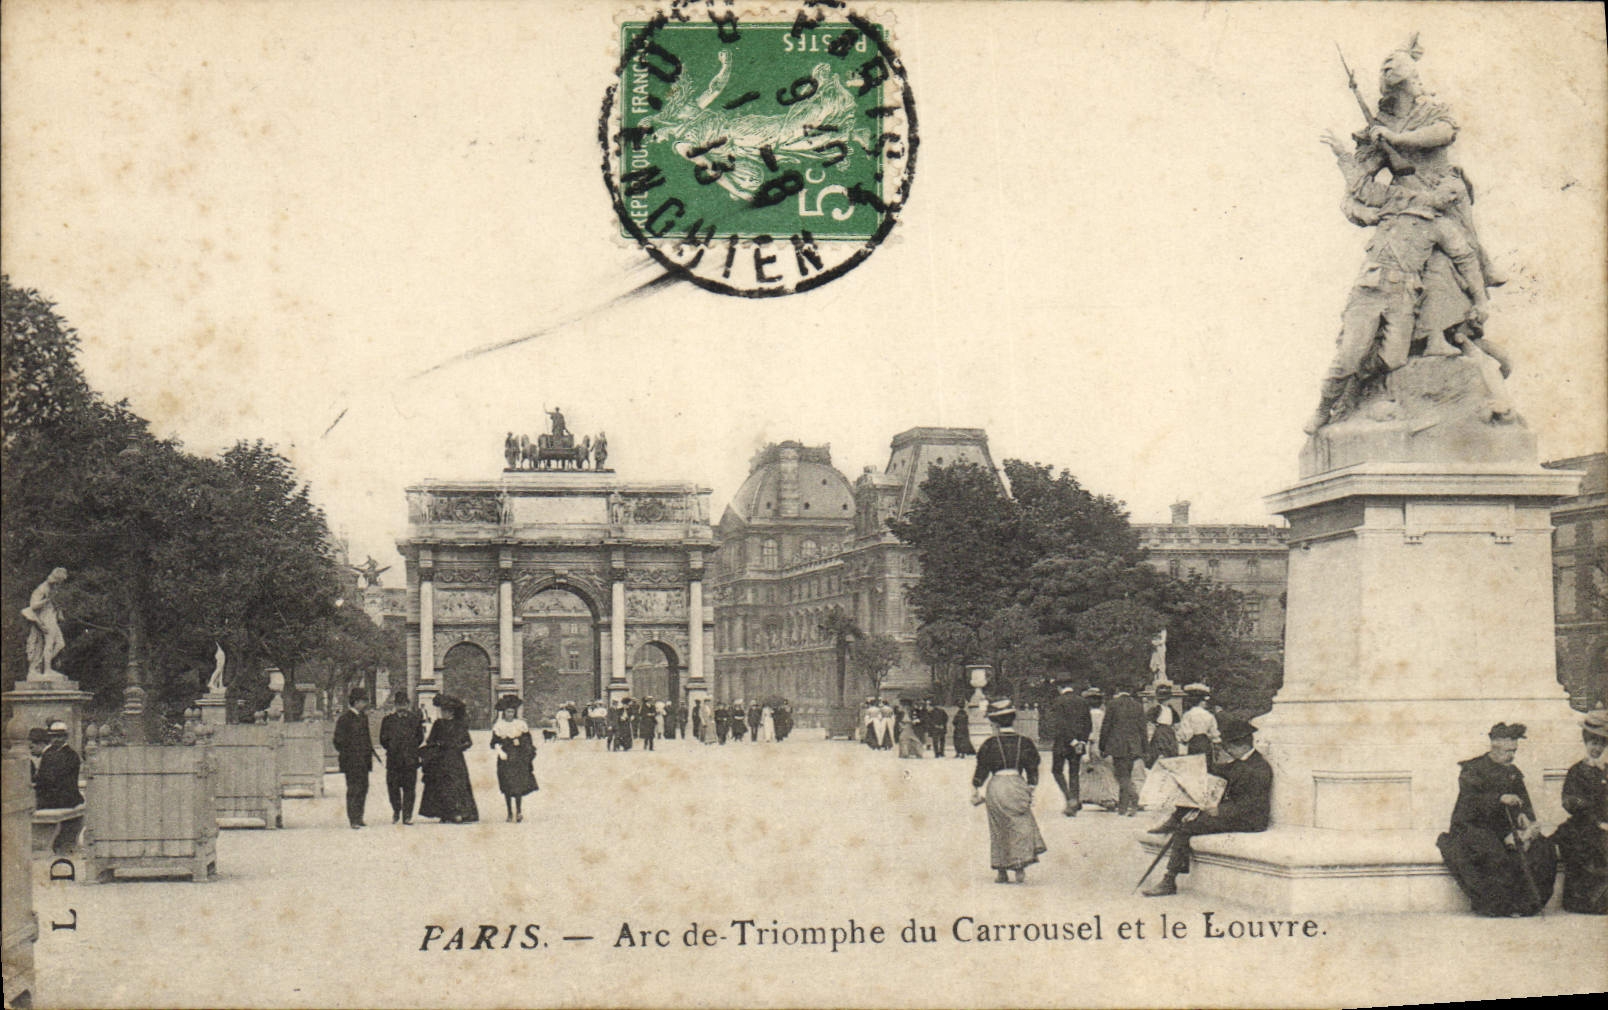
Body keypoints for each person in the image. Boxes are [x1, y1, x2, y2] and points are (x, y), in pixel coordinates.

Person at [1144, 715, 1273, 897]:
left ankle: (1169, 880)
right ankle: (1174, 819)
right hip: (1235, 813)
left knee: (1187, 828)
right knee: (1192, 798)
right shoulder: (1244, 761)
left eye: (1229, 747)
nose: (1226, 751)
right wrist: (1186, 769)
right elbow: (1219, 770)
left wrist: (1219, 810)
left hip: (1249, 820)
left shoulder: (1259, 768)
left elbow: (1251, 805)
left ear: (1242, 746)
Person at [1436, 722, 1557, 917]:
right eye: (1507, 750)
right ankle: (1499, 907)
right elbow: (1470, 802)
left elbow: (1524, 804)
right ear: (1494, 745)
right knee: (1494, 853)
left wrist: (1525, 820)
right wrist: (1498, 799)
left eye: (1514, 751)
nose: (1511, 756)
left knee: (1544, 848)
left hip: (1506, 830)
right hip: (1472, 828)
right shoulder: (1473, 770)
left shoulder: (1513, 772)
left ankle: (1527, 905)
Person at [970, 699, 1046, 884]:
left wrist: (976, 788)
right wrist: (1031, 786)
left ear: (995, 723)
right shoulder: (1025, 742)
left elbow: (982, 770)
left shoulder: (989, 744)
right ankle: (1019, 866)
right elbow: (1033, 768)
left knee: (999, 828)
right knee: (1019, 825)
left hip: (996, 786)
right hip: (1017, 784)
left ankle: (1001, 870)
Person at [1555, 712, 1608, 914]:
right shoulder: (1576, 771)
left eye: (1601, 744)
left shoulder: (1606, 770)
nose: (1596, 748)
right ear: (1585, 743)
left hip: (1604, 824)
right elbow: (1569, 800)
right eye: (1592, 743)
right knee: (1588, 846)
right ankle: (1587, 902)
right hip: (1582, 825)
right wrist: (1596, 821)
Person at [419, 695, 479, 823]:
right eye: (442, 711)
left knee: (457, 785)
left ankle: (459, 812)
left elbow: (468, 742)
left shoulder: (460, 724)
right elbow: (430, 740)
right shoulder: (438, 724)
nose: (443, 713)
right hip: (440, 759)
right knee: (441, 785)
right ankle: (444, 813)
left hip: (455, 759)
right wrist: (437, 744)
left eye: (445, 711)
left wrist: (458, 747)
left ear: (451, 712)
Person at [1045, 676, 1092, 817]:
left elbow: (1059, 725)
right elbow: (1088, 724)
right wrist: (1081, 741)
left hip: (1062, 743)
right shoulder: (1082, 701)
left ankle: (1069, 799)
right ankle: (1075, 799)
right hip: (1078, 743)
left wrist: (1071, 740)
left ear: (1060, 688)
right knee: (1074, 772)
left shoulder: (1058, 702)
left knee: (1057, 771)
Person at [35, 721, 83, 853]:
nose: (56, 739)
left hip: (65, 796)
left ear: (65, 737)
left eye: (59, 736)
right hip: (51, 795)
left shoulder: (71, 755)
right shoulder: (48, 753)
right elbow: (42, 777)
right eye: (53, 736)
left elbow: (60, 779)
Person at [333, 687, 378, 829]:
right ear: (356, 702)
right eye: (363, 701)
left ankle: (359, 817)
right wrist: (349, 752)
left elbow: (367, 739)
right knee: (353, 789)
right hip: (351, 761)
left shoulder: (363, 717)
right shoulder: (344, 719)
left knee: (364, 788)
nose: (364, 704)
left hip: (363, 760)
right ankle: (353, 818)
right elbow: (338, 741)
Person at [379, 689, 424, 825]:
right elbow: (383, 739)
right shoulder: (388, 720)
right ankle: (396, 810)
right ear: (395, 705)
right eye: (399, 704)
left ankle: (407, 815)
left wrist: (410, 748)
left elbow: (419, 738)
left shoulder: (414, 719)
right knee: (393, 788)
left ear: (408, 704)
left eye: (404, 704)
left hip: (410, 760)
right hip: (393, 759)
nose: (402, 707)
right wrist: (392, 747)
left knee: (409, 788)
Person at [490, 695, 538, 823]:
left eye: (512, 711)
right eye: (507, 711)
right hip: (505, 757)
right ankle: (509, 812)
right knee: (507, 785)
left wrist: (521, 743)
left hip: (518, 757)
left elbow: (528, 740)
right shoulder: (499, 725)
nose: (510, 714)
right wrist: (499, 751)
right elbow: (494, 742)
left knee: (518, 785)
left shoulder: (521, 724)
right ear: (503, 712)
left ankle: (519, 811)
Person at [1102, 688, 1148, 817]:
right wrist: (1145, 748)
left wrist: (1103, 746)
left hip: (1118, 745)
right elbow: (1142, 729)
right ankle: (1122, 807)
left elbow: (1106, 726)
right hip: (1133, 746)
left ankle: (1134, 797)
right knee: (1126, 773)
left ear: (1118, 691)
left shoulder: (1112, 704)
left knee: (1121, 775)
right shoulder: (1138, 706)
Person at [22, 567, 69, 678]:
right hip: (45, 618)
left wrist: (59, 612)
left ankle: (39, 665)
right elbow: (33, 605)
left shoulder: (54, 588)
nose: (60, 584)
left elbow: (56, 604)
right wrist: (47, 600)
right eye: (60, 581)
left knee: (60, 644)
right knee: (50, 643)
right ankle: (47, 670)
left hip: (52, 617)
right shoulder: (42, 588)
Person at [1177, 683, 1219, 756]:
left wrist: (1183, 740)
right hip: (1206, 744)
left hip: (1194, 744)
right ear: (1202, 701)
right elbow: (1214, 732)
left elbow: (1186, 734)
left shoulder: (1188, 715)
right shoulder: (1209, 715)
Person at [1145, 682, 1181, 766]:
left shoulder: (1171, 709)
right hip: (1161, 732)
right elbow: (1149, 721)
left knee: (1169, 752)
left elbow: (1176, 722)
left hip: (1168, 732)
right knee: (1160, 751)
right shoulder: (1157, 709)